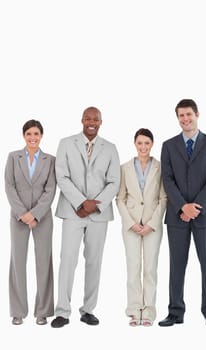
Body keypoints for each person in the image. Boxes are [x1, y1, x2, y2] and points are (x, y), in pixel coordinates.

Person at [51, 106, 120, 328]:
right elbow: (61, 175)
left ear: (101, 122)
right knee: (68, 260)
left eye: (96, 119)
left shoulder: (110, 148)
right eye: (88, 118)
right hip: (72, 211)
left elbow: (114, 182)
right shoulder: (65, 143)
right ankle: (62, 311)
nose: (92, 122)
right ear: (82, 120)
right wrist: (81, 202)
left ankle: (88, 310)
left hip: (99, 214)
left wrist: (93, 205)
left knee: (94, 262)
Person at [158, 99, 206, 330]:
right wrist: (182, 207)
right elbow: (167, 179)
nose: (185, 119)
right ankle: (175, 312)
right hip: (177, 216)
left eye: (188, 114)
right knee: (176, 264)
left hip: (205, 216)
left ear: (197, 114)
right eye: (181, 116)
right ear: (177, 118)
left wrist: (194, 207)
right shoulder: (168, 145)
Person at [5, 119, 56, 326]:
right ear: (23, 136)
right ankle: (18, 311)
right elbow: (9, 186)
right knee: (17, 262)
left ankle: (42, 311)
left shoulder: (49, 160)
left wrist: (35, 214)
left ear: (41, 136)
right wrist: (23, 214)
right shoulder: (13, 157)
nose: (32, 138)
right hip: (18, 218)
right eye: (29, 134)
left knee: (44, 262)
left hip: (42, 218)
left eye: (36, 134)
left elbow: (51, 189)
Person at [116, 128, 167, 327]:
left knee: (150, 268)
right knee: (133, 267)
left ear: (152, 144)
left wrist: (152, 224)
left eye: (147, 143)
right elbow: (120, 198)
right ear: (134, 144)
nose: (143, 147)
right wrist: (130, 223)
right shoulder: (125, 168)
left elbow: (164, 198)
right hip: (131, 225)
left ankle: (149, 311)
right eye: (140, 143)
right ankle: (134, 309)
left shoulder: (161, 167)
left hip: (152, 225)